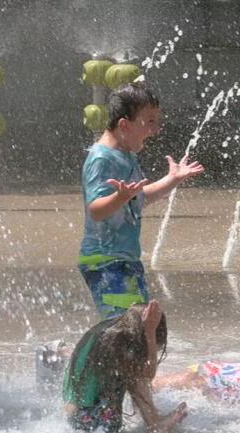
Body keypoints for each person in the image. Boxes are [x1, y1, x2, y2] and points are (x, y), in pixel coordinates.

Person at [79, 83, 204, 319]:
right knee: (127, 329)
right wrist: (119, 197)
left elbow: (138, 199)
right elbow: (95, 210)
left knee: (142, 325)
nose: (156, 130)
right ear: (124, 125)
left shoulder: (125, 154)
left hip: (123, 259)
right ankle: (70, 355)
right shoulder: (101, 158)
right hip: (105, 260)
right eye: (150, 122)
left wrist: (172, 179)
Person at [62, 300, 187, 433]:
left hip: (80, 415)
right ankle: (155, 425)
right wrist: (150, 331)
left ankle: (154, 420)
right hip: (89, 424)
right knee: (136, 374)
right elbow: (147, 374)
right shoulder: (116, 342)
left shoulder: (113, 331)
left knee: (133, 370)